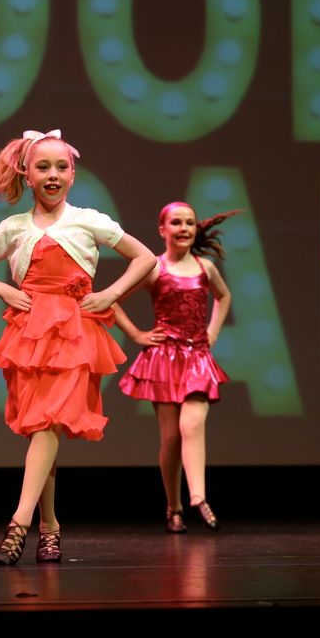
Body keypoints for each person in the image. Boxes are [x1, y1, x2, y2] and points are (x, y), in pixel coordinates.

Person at [0, 129, 155, 566]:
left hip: (75, 335)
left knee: (48, 425)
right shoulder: (13, 228)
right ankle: (50, 528)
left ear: (73, 175)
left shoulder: (87, 220)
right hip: (30, 336)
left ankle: (18, 524)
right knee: (42, 431)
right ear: (27, 175)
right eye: (43, 167)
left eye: (61, 167)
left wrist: (111, 295)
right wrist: (4, 290)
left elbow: (145, 257)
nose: (53, 174)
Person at [114, 201, 232, 533]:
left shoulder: (205, 267)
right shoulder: (154, 268)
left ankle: (198, 497)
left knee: (192, 423)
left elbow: (224, 297)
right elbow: (114, 301)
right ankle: (173, 506)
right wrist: (136, 334)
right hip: (164, 359)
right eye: (177, 222)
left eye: (189, 223)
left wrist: (212, 331)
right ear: (162, 229)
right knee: (171, 438)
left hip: (196, 357)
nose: (184, 228)